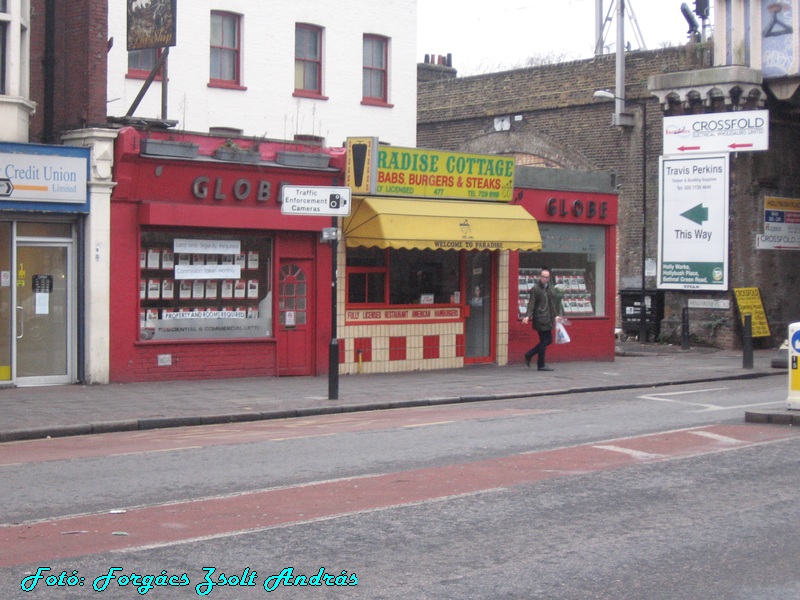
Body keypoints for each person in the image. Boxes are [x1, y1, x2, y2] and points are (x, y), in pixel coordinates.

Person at [522, 269, 561, 371]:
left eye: (547, 277)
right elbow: (532, 303)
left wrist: (555, 315)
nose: (545, 279)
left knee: (548, 340)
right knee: (544, 340)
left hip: (547, 318)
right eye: (543, 277)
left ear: (549, 278)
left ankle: (529, 354)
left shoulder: (549, 288)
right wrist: (528, 315)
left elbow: (552, 303)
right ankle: (541, 364)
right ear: (540, 277)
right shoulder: (536, 289)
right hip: (539, 318)